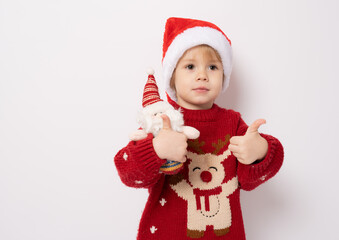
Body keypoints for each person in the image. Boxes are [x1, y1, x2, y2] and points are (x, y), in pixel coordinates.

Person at [114, 17, 284, 240]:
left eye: (212, 66)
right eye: (190, 66)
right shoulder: (162, 121)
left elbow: (249, 181)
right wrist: (155, 150)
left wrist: (260, 152)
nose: (202, 75)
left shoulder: (233, 123)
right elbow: (127, 171)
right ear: (172, 77)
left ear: (223, 75)